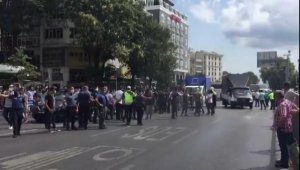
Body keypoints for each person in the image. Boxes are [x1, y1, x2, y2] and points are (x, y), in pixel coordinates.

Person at [272, 91, 297, 169]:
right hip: (288, 127)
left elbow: (283, 116)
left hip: (283, 128)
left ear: (278, 97)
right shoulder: (287, 102)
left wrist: (278, 125)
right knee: (285, 145)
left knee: (283, 146)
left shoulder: (282, 104)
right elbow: (295, 107)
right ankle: (283, 160)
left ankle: (285, 163)